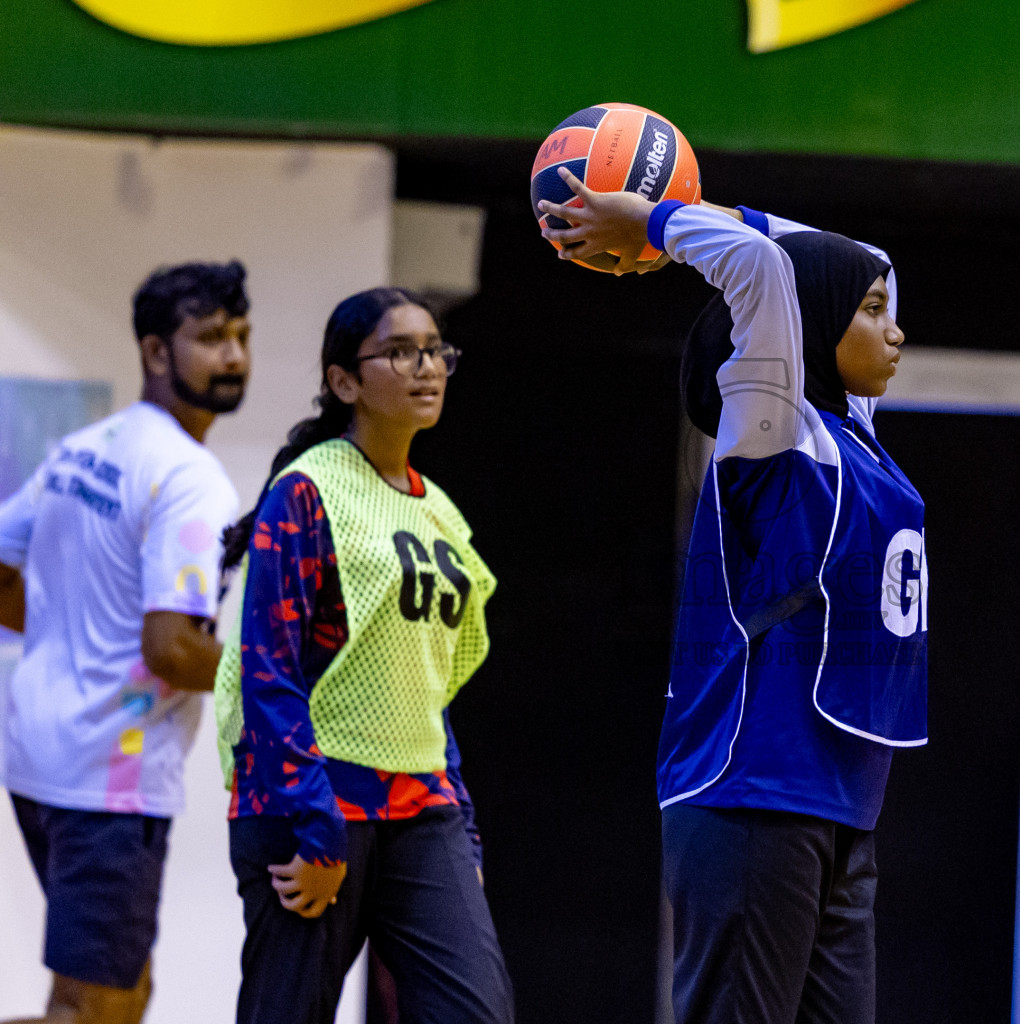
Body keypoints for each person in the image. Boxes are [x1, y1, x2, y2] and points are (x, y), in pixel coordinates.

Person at [539, 173, 928, 1024]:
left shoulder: (856, 433)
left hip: (842, 807)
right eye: (868, 310)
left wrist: (699, 221)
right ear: (813, 330)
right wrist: (651, 223)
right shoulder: (775, 435)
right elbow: (757, 267)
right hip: (754, 790)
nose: (895, 326)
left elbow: (867, 258)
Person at [214, 287, 513, 1024]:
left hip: (420, 804)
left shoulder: (441, 512)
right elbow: (268, 671)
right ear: (344, 381)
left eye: (436, 350)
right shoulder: (308, 493)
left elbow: (428, 686)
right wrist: (314, 825)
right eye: (402, 351)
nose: (427, 367)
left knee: (477, 1011)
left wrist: (463, 823)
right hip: (310, 796)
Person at [0, 261, 251, 1024]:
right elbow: (172, 649)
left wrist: (72, 632)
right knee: (95, 1008)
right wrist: (275, 678)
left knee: (125, 991)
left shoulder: (86, 448)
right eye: (209, 338)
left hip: (41, 756)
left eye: (240, 336)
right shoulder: (191, 477)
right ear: (154, 351)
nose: (234, 356)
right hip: (108, 774)